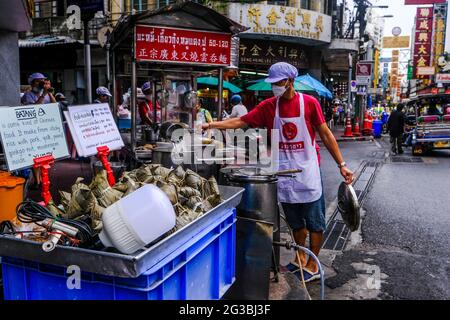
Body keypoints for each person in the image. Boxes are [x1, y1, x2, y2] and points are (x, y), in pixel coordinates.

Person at [202, 62, 353, 282]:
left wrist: (341, 164)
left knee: (315, 220)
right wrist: (212, 125)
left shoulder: (309, 104)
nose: (275, 87)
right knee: (294, 221)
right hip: (283, 169)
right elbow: (241, 121)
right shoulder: (268, 106)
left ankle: (313, 264)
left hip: (307, 169)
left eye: (278, 83)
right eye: (272, 83)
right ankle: (301, 256)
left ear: (290, 81)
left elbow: (327, 134)